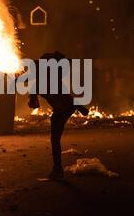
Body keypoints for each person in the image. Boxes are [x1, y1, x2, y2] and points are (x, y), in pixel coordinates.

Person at [27, 51, 88, 180]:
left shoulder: (49, 81)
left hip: (63, 109)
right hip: (64, 109)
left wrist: (81, 108)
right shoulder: (41, 82)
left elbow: (66, 98)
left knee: (55, 140)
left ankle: (57, 170)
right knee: (55, 139)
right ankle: (57, 170)